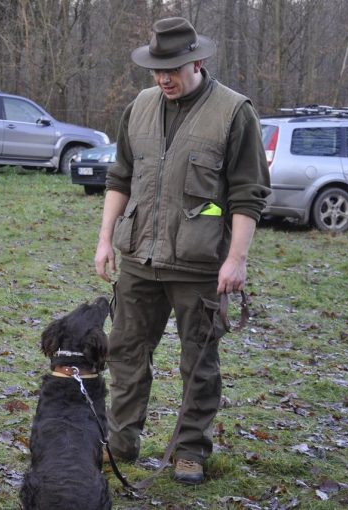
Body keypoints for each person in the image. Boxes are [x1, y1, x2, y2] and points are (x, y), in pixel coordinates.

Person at [94, 17, 271, 484]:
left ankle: (190, 450)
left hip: (199, 266)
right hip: (137, 259)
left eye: (172, 68)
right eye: (156, 69)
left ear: (198, 60)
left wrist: (236, 259)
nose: (163, 78)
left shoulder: (235, 113)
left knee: (199, 363)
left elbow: (248, 193)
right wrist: (104, 239)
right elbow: (120, 177)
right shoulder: (140, 106)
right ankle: (121, 442)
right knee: (126, 352)